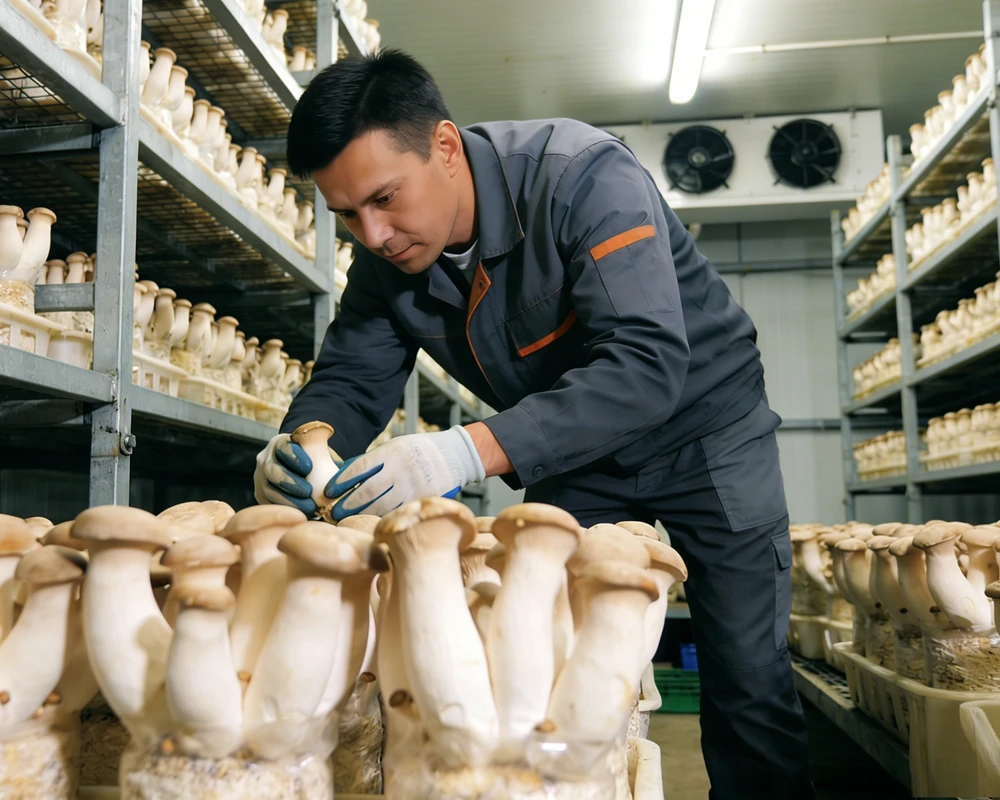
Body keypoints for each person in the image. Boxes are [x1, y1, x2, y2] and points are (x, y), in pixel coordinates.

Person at [254, 49, 814, 799]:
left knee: (748, 678)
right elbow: (352, 378)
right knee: (543, 666)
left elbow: (645, 363)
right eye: (348, 215)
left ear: (444, 146)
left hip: (707, 433)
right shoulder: (387, 261)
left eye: (385, 198)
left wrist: (461, 452)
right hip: (576, 452)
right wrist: (302, 443)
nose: (375, 233)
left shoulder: (582, 177)